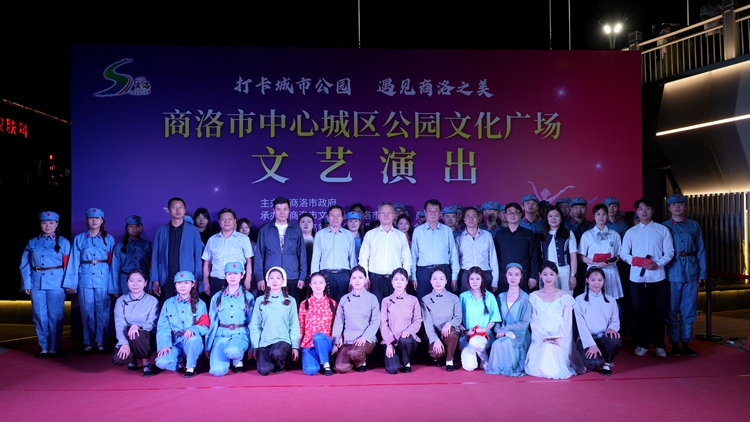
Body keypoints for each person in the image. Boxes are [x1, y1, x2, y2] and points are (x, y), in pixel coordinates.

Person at [621, 197, 674, 358]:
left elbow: (670, 252)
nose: (644, 212)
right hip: (637, 278)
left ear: (653, 210)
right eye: (641, 209)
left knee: (658, 311)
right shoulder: (631, 232)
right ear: (636, 211)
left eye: (647, 208)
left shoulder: (662, 230)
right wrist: (635, 261)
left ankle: (659, 345)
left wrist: (657, 264)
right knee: (639, 311)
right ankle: (642, 344)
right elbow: (623, 253)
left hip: (657, 277)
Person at [20, 211, 72, 358]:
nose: (47, 226)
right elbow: (25, 264)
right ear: (40, 224)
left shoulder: (64, 242)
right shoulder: (32, 242)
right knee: (39, 315)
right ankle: (44, 348)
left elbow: (69, 265)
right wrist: (27, 284)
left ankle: (55, 348)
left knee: (55, 316)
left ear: (57, 224)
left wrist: (69, 283)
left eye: (51, 223)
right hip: (36, 283)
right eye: (44, 223)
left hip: (57, 283)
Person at [65, 207, 115, 353]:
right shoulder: (79, 238)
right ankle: (89, 341)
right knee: (86, 311)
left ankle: (101, 341)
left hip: (103, 278)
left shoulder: (109, 238)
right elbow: (74, 261)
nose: (94, 220)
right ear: (87, 220)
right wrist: (71, 284)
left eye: (97, 218)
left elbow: (113, 263)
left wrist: (113, 285)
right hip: (84, 278)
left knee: (103, 311)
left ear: (102, 220)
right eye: (91, 218)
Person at [663, 194, 706, 357]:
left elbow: (701, 250)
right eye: (674, 205)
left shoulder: (694, 225)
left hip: (691, 270)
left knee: (689, 309)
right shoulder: (664, 227)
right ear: (669, 208)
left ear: (685, 207)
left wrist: (702, 273)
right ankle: (674, 343)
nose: (677, 207)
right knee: (671, 309)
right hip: (671, 271)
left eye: (680, 204)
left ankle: (686, 342)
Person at [524, 261, 583, 379]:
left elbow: (567, 324)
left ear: (557, 275)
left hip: (560, 339)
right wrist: (545, 337)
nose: (548, 278)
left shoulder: (565, 296)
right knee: (546, 348)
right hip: (540, 339)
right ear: (540, 275)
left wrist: (559, 339)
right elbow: (534, 322)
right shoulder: (533, 296)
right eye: (545, 274)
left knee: (553, 351)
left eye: (551, 274)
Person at [155, 271, 209, 377]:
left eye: (186, 283)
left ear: (192, 284)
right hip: (175, 342)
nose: (182, 286)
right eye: (179, 283)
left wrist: (193, 329)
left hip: (192, 342)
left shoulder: (200, 304)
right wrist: (164, 344)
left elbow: (205, 326)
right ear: (175, 285)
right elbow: (163, 327)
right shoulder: (168, 303)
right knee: (161, 362)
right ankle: (179, 361)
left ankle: (190, 366)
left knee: (193, 340)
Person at [254, 197, 307, 303]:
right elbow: (259, 255)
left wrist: (302, 277)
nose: (282, 212)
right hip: (271, 277)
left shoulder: (296, 229)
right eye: (278, 209)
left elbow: (302, 255)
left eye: (285, 209)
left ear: (289, 210)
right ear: (274, 210)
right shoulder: (265, 230)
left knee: (291, 306)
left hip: (292, 276)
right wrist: (260, 277)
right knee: (270, 307)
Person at [249, 267, 300, 375]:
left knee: (277, 352)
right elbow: (255, 324)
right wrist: (255, 345)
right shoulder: (260, 300)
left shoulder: (291, 300)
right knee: (263, 370)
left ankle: (280, 362)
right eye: (271, 278)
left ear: (283, 281)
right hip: (265, 341)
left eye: (278, 278)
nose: (274, 281)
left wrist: (295, 346)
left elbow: (294, 325)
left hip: (283, 340)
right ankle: (271, 361)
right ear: (267, 280)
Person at [206, 262, 254, 376]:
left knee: (232, 350)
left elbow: (252, 323)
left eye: (236, 274)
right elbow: (213, 323)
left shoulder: (249, 297)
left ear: (242, 275)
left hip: (240, 335)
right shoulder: (217, 297)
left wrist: (253, 346)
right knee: (217, 371)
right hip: (221, 336)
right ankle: (227, 358)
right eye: (229, 274)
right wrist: (208, 346)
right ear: (225, 276)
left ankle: (238, 359)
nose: (232, 277)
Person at [151, 197, 204, 300]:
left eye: (181, 207)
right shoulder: (161, 231)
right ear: (169, 210)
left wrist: (197, 278)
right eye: (174, 207)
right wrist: (155, 280)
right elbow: (155, 256)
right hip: (167, 277)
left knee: (189, 306)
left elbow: (198, 255)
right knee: (168, 306)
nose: (178, 210)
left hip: (187, 278)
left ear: (184, 210)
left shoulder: (193, 230)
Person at [358, 202, 412, 304]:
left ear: (394, 215)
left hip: (395, 280)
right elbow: (363, 258)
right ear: (378, 216)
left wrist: (405, 278)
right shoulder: (370, 235)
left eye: (389, 213)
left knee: (395, 309)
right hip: (375, 280)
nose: (386, 215)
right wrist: (365, 277)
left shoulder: (400, 236)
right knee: (376, 309)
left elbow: (407, 259)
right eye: (383, 213)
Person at [331, 266, 380, 373]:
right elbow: (339, 321)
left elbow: (375, 321)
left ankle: (360, 361)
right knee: (340, 368)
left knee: (355, 353)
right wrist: (337, 339)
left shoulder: (372, 298)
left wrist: (365, 337)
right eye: (354, 278)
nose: (357, 281)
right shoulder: (344, 299)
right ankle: (354, 358)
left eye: (360, 278)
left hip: (365, 339)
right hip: (348, 339)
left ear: (365, 280)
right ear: (350, 280)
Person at [486, 263, 532, 377]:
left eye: (516, 275)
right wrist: (498, 330)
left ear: (521, 276)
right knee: (497, 343)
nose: (513, 277)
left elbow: (524, 323)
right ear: (506, 276)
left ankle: (511, 367)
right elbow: (497, 320)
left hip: (519, 334)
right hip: (502, 333)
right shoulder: (500, 297)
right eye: (510, 274)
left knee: (506, 343)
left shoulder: (525, 298)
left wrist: (507, 329)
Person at [111, 269, 159, 377]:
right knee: (118, 359)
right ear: (127, 283)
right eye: (131, 281)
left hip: (146, 335)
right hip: (126, 334)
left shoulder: (152, 300)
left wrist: (137, 326)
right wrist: (124, 343)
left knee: (136, 334)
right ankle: (132, 359)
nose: (135, 284)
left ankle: (146, 363)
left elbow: (152, 323)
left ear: (145, 283)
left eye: (139, 280)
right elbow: (119, 323)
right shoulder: (121, 300)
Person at [575, 267, 622, 375]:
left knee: (615, 340)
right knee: (594, 363)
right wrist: (591, 344)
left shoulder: (611, 300)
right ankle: (599, 359)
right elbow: (581, 326)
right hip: (586, 339)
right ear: (587, 280)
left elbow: (615, 320)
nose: (596, 283)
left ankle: (607, 362)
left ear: (604, 281)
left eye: (600, 280)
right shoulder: (579, 300)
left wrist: (611, 328)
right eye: (593, 280)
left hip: (603, 338)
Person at [411, 199, 459, 300]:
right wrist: (413, 276)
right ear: (425, 212)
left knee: (444, 302)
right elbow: (413, 255)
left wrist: (454, 276)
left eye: (435, 211)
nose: (432, 213)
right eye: (430, 211)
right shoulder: (418, 231)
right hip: (424, 273)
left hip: (444, 271)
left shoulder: (447, 230)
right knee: (424, 302)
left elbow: (453, 254)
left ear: (440, 213)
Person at [201, 208, 254, 297]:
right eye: (223, 219)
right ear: (219, 222)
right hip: (216, 281)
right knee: (216, 305)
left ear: (235, 221)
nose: (226, 221)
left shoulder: (243, 239)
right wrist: (206, 282)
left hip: (237, 280)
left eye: (229, 219)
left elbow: (249, 260)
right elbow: (207, 262)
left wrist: (248, 279)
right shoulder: (212, 239)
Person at [311, 205, 357, 304]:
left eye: (338, 215)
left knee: (343, 305)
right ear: (327, 217)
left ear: (342, 218)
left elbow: (352, 258)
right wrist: (314, 278)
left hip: (343, 276)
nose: (335, 218)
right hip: (325, 275)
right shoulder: (320, 235)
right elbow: (316, 258)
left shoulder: (348, 235)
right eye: (332, 215)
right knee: (325, 305)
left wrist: (353, 278)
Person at [380, 268, 422, 374]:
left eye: (402, 279)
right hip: (392, 341)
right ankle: (398, 359)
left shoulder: (413, 300)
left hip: (407, 341)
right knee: (392, 369)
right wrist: (389, 343)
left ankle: (406, 362)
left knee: (405, 340)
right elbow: (383, 323)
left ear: (407, 282)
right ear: (392, 282)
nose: (399, 282)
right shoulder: (386, 301)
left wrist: (408, 331)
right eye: (396, 279)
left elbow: (418, 320)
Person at [459, 267, 501, 371]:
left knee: (476, 342)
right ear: (468, 280)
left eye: (477, 279)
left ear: (482, 280)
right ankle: (479, 356)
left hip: (484, 336)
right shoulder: (463, 297)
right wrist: (466, 332)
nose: (474, 282)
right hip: (467, 337)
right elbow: (457, 319)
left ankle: (484, 359)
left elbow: (494, 319)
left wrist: (484, 329)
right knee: (469, 367)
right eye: (472, 279)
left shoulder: (490, 296)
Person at [579, 204, 623, 299]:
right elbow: (581, 257)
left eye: (604, 214)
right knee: (593, 299)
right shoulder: (587, 235)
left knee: (611, 299)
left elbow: (618, 255)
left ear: (607, 216)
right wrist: (596, 263)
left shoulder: (614, 234)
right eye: (598, 214)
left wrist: (611, 261)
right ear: (593, 216)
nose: (601, 217)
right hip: (593, 270)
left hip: (611, 270)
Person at [421, 267, 461, 371]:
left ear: (446, 281)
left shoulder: (454, 298)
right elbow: (427, 323)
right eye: (435, 279)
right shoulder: (425, 299)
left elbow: (458, 317)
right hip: (434, 333)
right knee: (436, 352)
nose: (438, 282)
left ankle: (449, 359)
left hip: (449, 332)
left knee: (452, 334)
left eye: (441, 279)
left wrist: (449, 324)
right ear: (430, 281)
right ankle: (438, 356)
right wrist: (435, 339)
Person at [494, 202, 539, 293]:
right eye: (509, 212)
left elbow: (534, 257)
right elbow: (495, 258)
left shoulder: (528, 234)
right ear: (505, 215)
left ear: (520, 215)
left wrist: (533, 276)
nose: (512, 215)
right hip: (504, 277)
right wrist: (495, 278)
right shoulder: (499, 235)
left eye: (515, 212)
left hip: (524, 276)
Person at [298, 272, 337, 376]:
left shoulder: (332, 303)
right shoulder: (304, 304)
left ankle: (326, 364)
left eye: (321, 283)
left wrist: (337, 343)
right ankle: (321, 358)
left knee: (318, 337)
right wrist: (296, 346)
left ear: (325, 284)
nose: (318, 286)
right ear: (310, 285)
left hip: (325, 342)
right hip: (309, 343)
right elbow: (301, 327)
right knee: (311, 371)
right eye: (315, 283)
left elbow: (337, 325)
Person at [456, 207, 499, 293]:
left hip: (484, 275)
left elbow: (493, 258)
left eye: (474, 216)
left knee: (485, 300)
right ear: (464, 220)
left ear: (478, 219)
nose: (471, 219)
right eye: (468, 216)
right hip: (466, 275)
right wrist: (455, 280)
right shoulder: (459, 238)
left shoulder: (487, 235)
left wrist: (495, 280)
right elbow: (456, 261)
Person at [110, 215, 152, 297]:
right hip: (125, 282)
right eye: (131, 226)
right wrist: (115, 288)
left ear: (142, 227)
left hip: (144, 281)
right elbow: (114, 269)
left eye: (137, 226)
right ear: (126, 228)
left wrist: (151, 285)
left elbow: (152, 267)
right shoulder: (119, 247)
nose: (134, 229)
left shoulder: (149, 245)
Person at [539, 207, 578, 295]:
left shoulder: (568, 233)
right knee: (548, 298)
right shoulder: (542, 234)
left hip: (564, 272)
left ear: (561, 219)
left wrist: (573, 276)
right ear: (547, 219)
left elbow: (573, 257)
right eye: (550, 216)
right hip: (547, 273)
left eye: (556, 216)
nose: (553, 218)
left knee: (566, 298)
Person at [299, 212, 316, 277]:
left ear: (313, 224)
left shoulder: (318, 238)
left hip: (314, 272)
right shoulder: (294, 239)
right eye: (303, 222)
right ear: (299, 224)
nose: (306, 224)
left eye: (309, 222)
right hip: (298, 272)